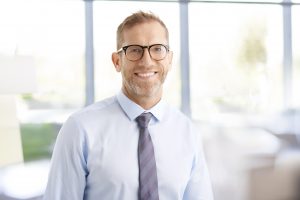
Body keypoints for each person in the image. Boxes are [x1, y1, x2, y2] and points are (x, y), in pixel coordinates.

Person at [43, 11, 214, 200]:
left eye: (157, 49)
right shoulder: (80, 129)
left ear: (170, 59)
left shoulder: (187, 132)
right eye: (134, 50)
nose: (147, 61)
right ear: (117, 61)